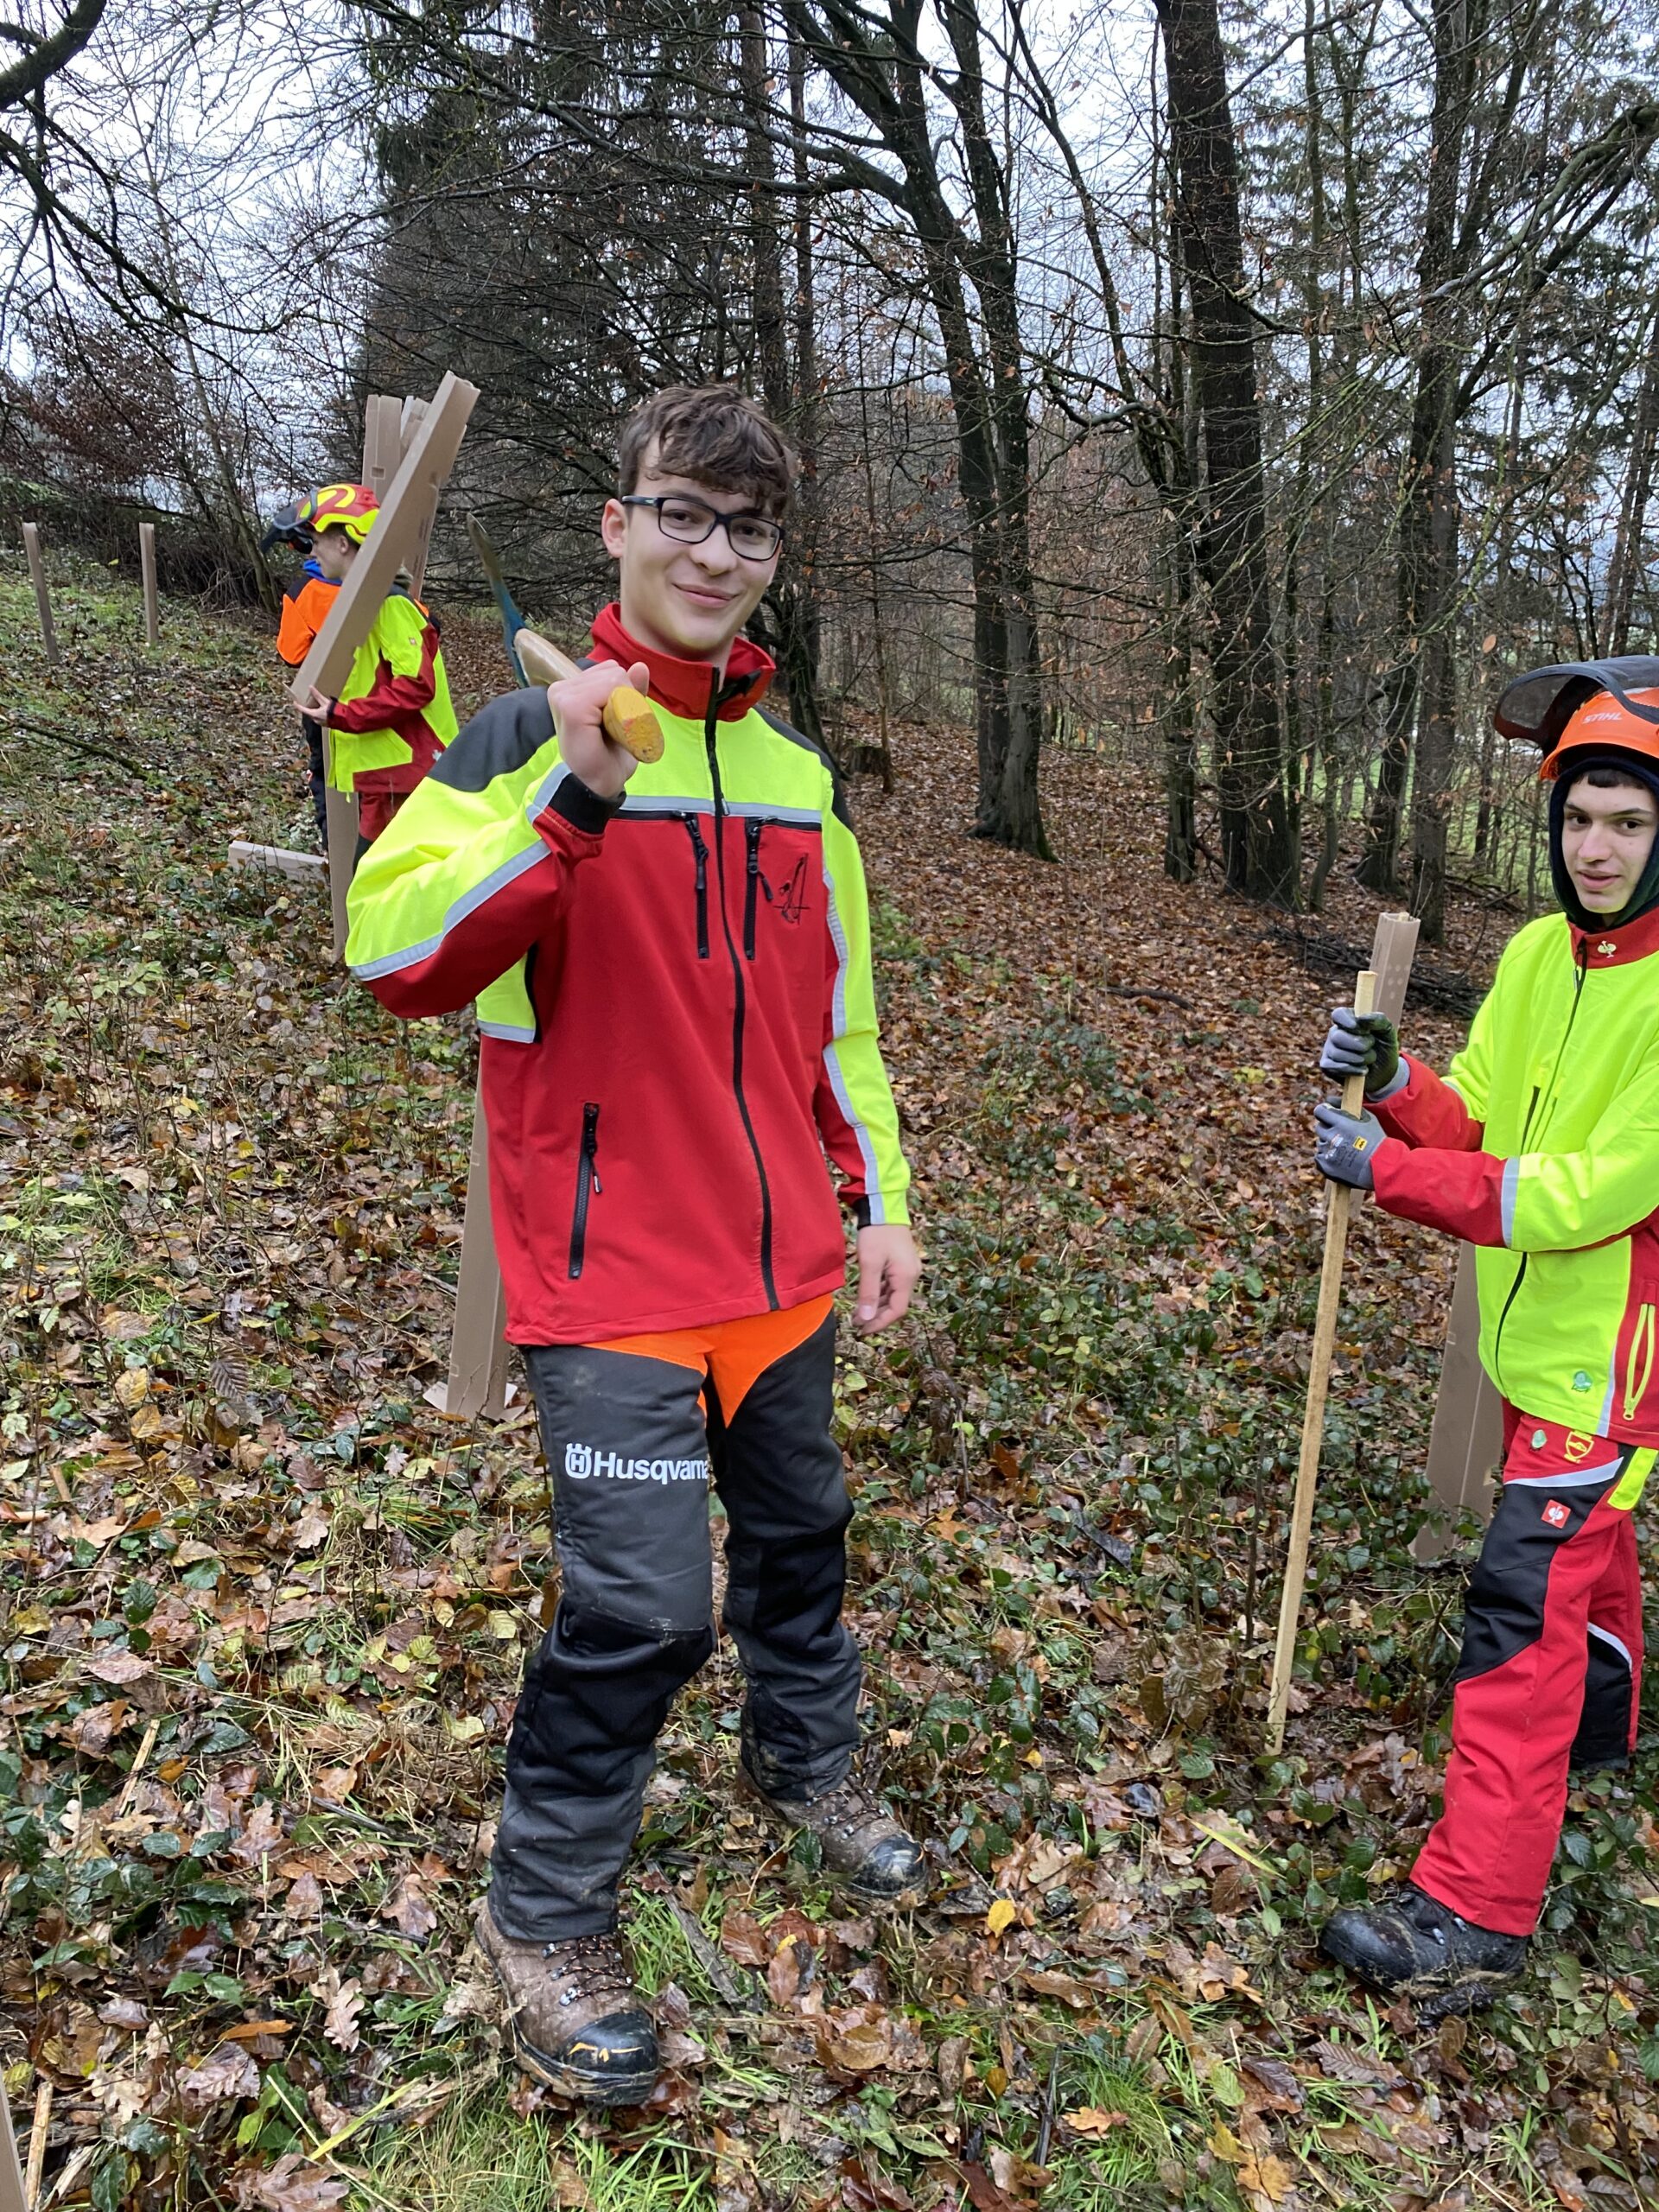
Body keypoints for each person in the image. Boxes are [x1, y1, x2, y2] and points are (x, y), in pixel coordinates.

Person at [343, 385, 924, 2103]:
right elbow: (393, 946)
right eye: (686, 512)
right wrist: (575, 803)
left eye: (749, 528)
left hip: (782, 1276)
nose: (716, 553)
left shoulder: (803, 777)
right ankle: (545, 1911)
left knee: (803, 1540)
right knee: (645, 1606)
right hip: (607, 1280)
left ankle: (808, 1762)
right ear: (619, 523)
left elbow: (849, 1036)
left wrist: (882, 1204)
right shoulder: (528, 730)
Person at [1310, 658, 1659, 2014]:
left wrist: (1382, 1176)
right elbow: (1489, 1132)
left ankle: (1476, 1905)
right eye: (1583, 816)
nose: (1600, 846)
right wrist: (1396, 1085)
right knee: (1589, 1558)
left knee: (1523, 1606)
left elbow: (1584, 1193)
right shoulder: (1532, 955)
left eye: (1628, 821)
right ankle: (1608, 1731)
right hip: (1534, 1346)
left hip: (1614, 1368)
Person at [290, 482, 458, 854]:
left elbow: (416, 685)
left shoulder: (389, 605)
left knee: (377, 893)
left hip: (406, 777)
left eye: (318, 540)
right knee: (368, 891)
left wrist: (342, 714)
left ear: (344, 543)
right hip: (387, 779)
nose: (313, 550)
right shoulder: (364, 603)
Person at [266, 503, 335, 845]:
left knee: (324, 773)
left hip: (321, 699)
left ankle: (333, 848)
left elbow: (290, 654)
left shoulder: (302, 592)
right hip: (375, 699)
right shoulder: (382, 587)